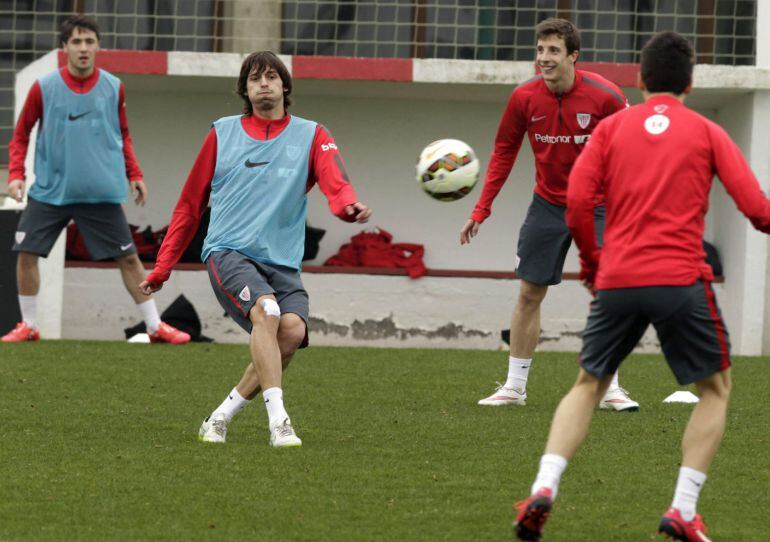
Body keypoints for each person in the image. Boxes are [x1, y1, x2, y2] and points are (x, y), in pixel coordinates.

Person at [513, 31, 770, 541]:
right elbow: (756, 208)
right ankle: (683, 507)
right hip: (681, 280)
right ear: (690, 83)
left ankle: (543, 488)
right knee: (715, 391)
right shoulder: (707, 132)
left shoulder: (611, 129)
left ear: (640, 78)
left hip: (620, 279)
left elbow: (580, 204)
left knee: (588, 385)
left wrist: (592, 264)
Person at [140, 51, 371, 448]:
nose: (263, 83)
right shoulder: (221, 132)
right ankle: (279, 421)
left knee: (292, 333)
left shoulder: (313, 134)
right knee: (268, 311)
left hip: (282, 261)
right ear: (244, 90)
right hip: (228, 251)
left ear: (285, 86)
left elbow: (337, 183)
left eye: (271, 76)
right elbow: (189, 205)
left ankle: (219, 416)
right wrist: (163, 267)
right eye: (254, 78)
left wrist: (348, 208)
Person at [460, 18, 638, 411]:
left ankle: (610, 388)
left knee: (608, 295)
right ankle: (514, 387)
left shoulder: (606, 96)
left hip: (601, 205)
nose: (544, 58)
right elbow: (504, 152)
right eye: (540, 50)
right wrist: (481, 208)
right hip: (548, 204)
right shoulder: (523, 98)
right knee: (529, 293)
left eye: (554, 50)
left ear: (573, 56)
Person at [2, 15, 189, 345]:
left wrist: (135, 174)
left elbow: (124, 135)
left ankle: (155, 326)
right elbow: (20, 136)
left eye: (89, 41)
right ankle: (28, 325)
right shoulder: (43, 88)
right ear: (64, 48)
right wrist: (16, 174)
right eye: (76, 41)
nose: (83, 48)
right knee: (26, 253)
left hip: (100, 193)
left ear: (99, 46)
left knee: (129, 258)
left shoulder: (113, 87)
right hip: (50, 191)